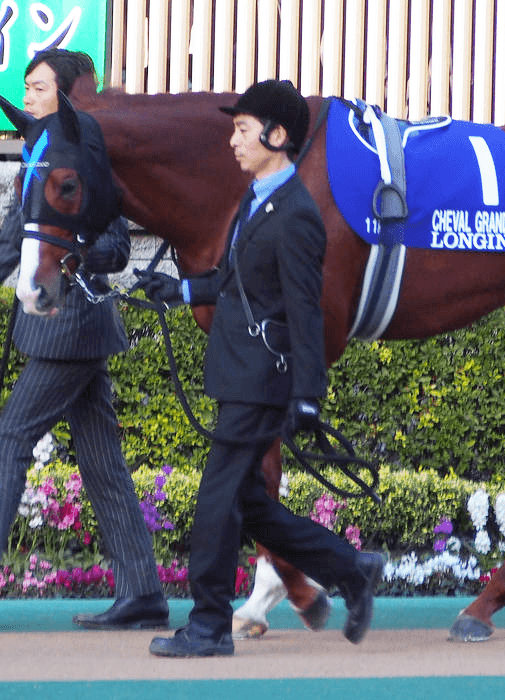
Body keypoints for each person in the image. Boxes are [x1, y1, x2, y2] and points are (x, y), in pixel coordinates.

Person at [0, 49, 168, 631]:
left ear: (66, 98)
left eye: (40, 88)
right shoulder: (38, 163)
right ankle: (143, 591)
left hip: (71, 330)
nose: (28, 97)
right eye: (26, 87)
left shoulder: (88, 156)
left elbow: (116, 246)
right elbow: (5, 248)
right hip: (67, 332)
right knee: (102, 465)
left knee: (9, 440)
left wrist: (78, 255)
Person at [135, 79, 384, 658]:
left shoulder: (297, 213)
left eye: (243, 129)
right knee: (251, 507)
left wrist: (307, 397)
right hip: (241, 373)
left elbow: (306, 309)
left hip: (261, 381)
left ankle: (207, 626)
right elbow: (238, 282)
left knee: (216, 502)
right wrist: (180, 290)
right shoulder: (256, 199)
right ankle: (352, 569)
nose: (232, 140)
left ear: (277, 135)